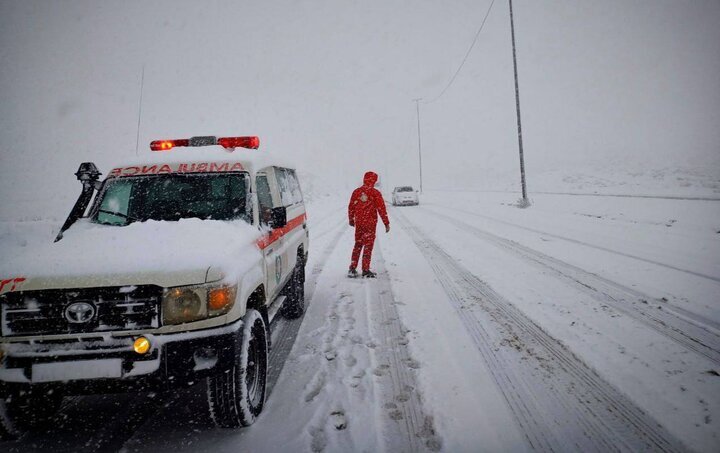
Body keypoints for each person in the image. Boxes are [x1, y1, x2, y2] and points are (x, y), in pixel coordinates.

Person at [348, 171, 390, 278]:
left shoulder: (356, 192)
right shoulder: (375, 193)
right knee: (368, 246)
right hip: (370, 224)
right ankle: (365, 270)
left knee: (358, 245)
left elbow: (351, 207)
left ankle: (352, 268)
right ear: (373, 181)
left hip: (359, 223)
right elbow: (381, 209)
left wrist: (351, 220)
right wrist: (386, 223)